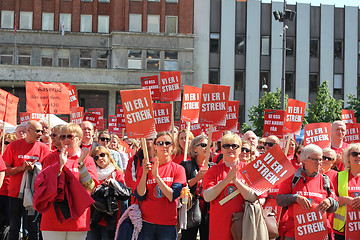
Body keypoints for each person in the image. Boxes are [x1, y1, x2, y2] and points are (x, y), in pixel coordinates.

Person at [40, 123, 99, 240]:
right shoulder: (51, 159)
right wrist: (60, 165)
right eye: (62, 137)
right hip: (53, 218)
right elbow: (46, 185)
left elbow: (90, 186)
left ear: (79, 139)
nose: (65, 140)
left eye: (70, 136)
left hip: (78, 218)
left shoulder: (88, 159)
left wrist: (81, 164)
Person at [277, 144, 338, 240]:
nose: (319, 163)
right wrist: (295, 198)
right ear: (304, 160)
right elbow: (279, 200)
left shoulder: (325, 180)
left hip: (319, 233)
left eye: (320, 159)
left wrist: (330, 201)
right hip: (294, 234)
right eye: (315, 159)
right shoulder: (292, 178)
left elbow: (335, 205)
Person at [203, 133, 258, 240]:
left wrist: (236, 181)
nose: (230, 148)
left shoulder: (249, 169)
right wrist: (227, 180)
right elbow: (207, 197)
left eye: (234, 146)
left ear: (240, 149)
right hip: (219, 227)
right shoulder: (213, 171)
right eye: (226, 146)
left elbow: (253, 197)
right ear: (221, 149)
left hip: (243, 226)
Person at [3, 120, 51, 240]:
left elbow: (48, 173)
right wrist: (21, 168)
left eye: (42, 131)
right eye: (37, 131)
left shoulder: (44, 148)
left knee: (32, 228)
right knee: (14, 227)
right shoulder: (14, 145)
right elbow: (5, 170)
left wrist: (36, 169)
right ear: (28, 131)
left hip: (34, 196)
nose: (40, 133)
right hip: (14, 195)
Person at [135, 132, 186, 240]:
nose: (164, 146)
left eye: (168, 143)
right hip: (146, 223)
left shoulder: (178, 169)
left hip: (167, 224)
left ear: (173, 147)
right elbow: (139, 195)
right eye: (160, 143)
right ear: (155, 146)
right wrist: (144, 174)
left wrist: (157, 177)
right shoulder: (146, 167)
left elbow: (172, 196)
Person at [88, 146, 126, 240]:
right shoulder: (92, 174)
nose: (100, 158)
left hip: (110, 221)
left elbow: (124, 194)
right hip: (94, 219)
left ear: (108, 156)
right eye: (96, 158)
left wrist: (112, 185)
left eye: (102, 155)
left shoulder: (116, 173)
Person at [180, 135, 213, 240]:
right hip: (191, 209)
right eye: (203, 145)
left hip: (208, 211)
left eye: (209, 145)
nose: (207, 148)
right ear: (194, 148)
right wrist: (197, 178)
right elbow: (181, 186)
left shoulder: (213, 166)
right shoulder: (186, 165)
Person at [333, 143, 360, 240]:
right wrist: (344, 200)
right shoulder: (339, 176)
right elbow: (331, 200)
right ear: (348, 157)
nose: (358, 156)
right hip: (342, 230)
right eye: (354, 154)